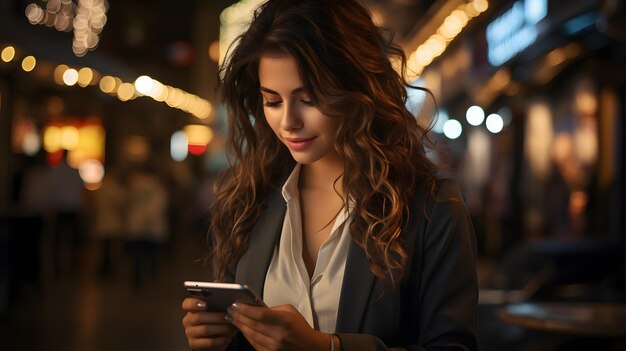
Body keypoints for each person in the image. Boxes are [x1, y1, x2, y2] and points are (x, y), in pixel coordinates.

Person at [182, 0, 478, 350]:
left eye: (308, 98)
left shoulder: (430, 206)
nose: (288, 122)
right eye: (272, 101)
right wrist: (217, 338)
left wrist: (330, 347)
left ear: (357, 90)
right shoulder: (249, 200)